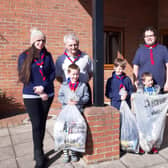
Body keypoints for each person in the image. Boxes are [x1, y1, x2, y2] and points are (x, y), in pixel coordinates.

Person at [18, 28, 55, 168]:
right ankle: (39, 157)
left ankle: (38, 151)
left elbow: (52, 73)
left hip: (47, 94)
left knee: (43, 123)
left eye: (43, 40)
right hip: (31, 95)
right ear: (33, 41)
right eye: (38, 40)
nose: (41, 43)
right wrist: (38, 90)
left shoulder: (48, 55)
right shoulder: (24, 56)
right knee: (36, 124)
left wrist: (44, 87)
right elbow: (23, 77)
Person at [58, 64, 89, 163]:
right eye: (73, 74)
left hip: (77, 112)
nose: (75, 76)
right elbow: (60, 97)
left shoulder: (83, 85)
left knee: (75, 132)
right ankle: (66, 152)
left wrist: (79, 100)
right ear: (68, 74)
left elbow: (87, 97)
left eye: (77, 74)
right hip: (66, 112)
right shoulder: (64, 85)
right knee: (66, 132)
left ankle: (73, 152)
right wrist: (67, 101)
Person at [55, 32, 93, 105]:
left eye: (75, 45)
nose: (73, 47)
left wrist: (82, 83)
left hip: (83, 89)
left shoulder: (85, 57)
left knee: (85, 112)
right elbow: (58, 76)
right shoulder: (60, 59)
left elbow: (90, 72)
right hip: (68, 89)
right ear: (65, 45)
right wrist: (67, 84)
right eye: (70, 45)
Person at [132, 26, 168, 93]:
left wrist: (167, 82)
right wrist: (135, 81)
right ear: (144, 38)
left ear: (155, 37)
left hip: (159, 87)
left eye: (151, 35)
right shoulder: (139, 50)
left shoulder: (163, 49)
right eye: (146, 36)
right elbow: (135, 67)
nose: (149, 38)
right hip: (143, 88)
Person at [134, 72, 159, 154]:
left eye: (151, 80)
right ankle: (141, 146)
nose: (151, 82)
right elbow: (138, 100)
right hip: (143, 115)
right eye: (148, 81)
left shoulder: (155, 89)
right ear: (144, 82)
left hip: (152, 114)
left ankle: (152, 147)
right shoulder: (141, 90)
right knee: (142, 131)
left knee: (152, 131)